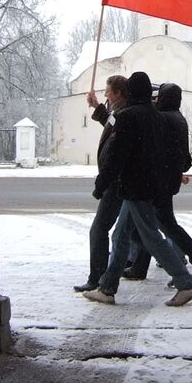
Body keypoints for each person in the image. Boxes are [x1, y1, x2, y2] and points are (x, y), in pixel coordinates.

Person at [85, 72, 192, 306]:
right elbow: (165, 153)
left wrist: (101, 183)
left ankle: (185, 283)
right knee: (121, 235)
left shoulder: (128, 117)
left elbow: (116, 157)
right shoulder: (157, 116)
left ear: (129, 92)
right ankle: (107, 288)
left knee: (151, 237)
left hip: (135, 187)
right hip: (149, 186)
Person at [120, 82, 192, 283]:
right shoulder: (178, 118)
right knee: (152, 225)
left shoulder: (164, 118)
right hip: (167, 179)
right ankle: (140, 266)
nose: (156, 100)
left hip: (159, 180)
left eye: (159, 97)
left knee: (161, 226)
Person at [74, 75, 128, 292]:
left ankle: (98, 278)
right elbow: (110, 122)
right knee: (144, 231)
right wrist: (97, 106)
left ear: (118, 93)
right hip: (120, 183)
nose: (105, 94)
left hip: (116, 184)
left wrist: (102, 182)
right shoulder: (119, 113)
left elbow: (115, 154)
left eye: (107, 91)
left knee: (99, 230)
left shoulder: (124, 115)